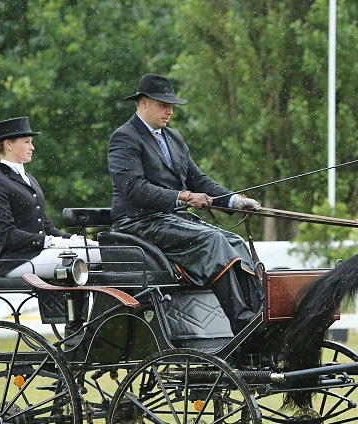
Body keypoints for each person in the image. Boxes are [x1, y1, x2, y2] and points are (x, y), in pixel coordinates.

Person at [108, 73, 262, 331]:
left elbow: (198, 179)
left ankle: (258, 312)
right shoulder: (125, 137)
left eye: (171, 106)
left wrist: (234, 201)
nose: (169, 111)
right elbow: (134, 188)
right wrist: (184, 196)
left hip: (171, 221)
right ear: (143, 102)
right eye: (163, 105)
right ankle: (242, 321)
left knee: (234, 241)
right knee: (213, 241)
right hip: (138, 223)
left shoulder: (174, 138)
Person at [0, 116, 99, 277]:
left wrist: (74, 239)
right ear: (8, 144)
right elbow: (7, 232)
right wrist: (48, 242)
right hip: (14, 261)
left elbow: (47, 228)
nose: (32, 147)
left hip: (37, 254)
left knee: (96, 251)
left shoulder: (30, 179)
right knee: (90, 257)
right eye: (26, 142)